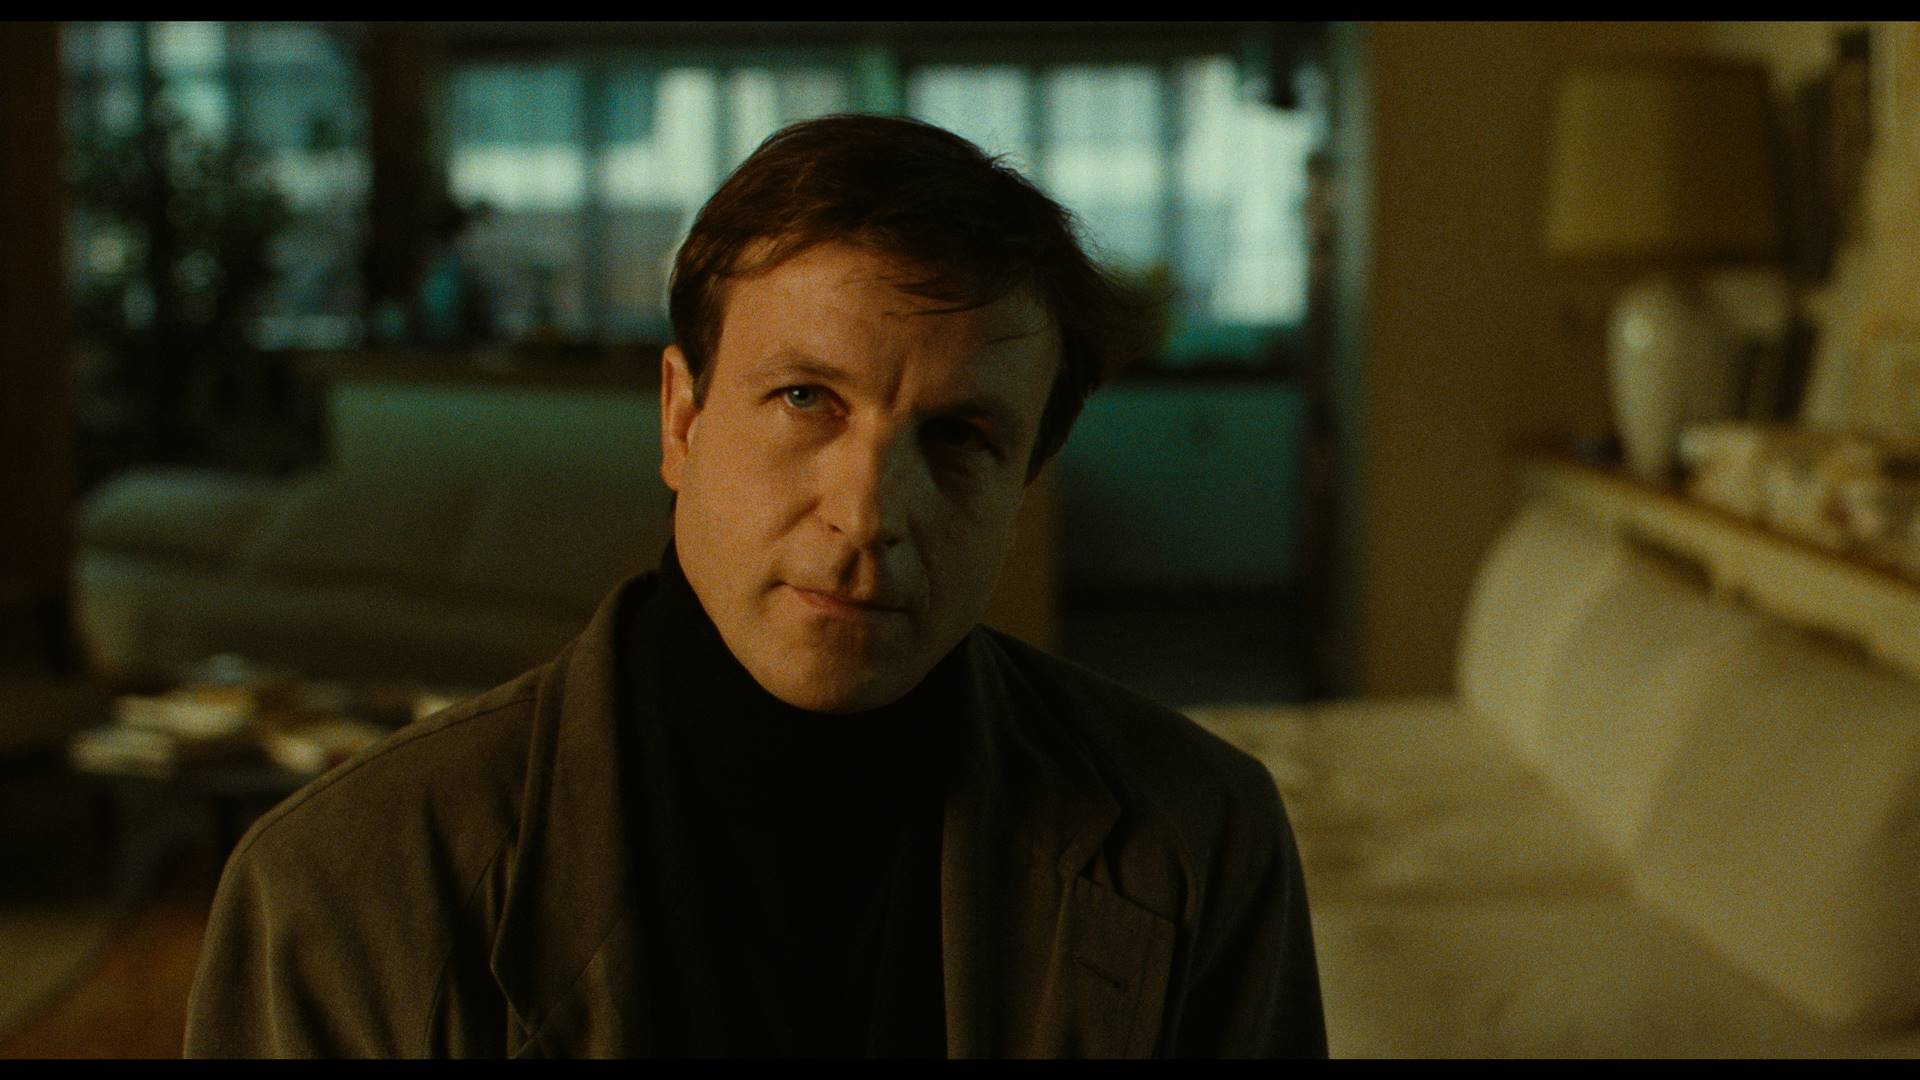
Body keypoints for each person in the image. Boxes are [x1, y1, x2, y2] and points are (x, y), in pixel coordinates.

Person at [183, 114, 1327, 1059]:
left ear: (1024, 482)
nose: (867, 513)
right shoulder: (342, 889)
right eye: (805, 399)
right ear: (681, 420)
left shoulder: (1198, 840)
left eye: (960, 438)